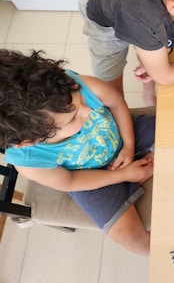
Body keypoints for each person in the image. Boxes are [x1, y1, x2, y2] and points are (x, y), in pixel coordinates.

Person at [0, 49, 155, 256]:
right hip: (87, 178)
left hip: (123, 133)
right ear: (29, 141)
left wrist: (128, 145)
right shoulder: (28, 161)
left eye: (79, 100)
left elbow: (116, 103)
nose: (88, 110)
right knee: (125, 233)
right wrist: (124, 175)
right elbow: (70, 181)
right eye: (73, 118)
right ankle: (155, 252)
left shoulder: (76, 85)